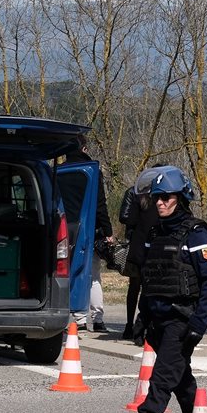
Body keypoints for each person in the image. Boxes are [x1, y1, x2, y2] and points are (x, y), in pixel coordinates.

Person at [107, 166, 207, 413]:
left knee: (161, 379)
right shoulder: (155, 233)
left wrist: (199, 324)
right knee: (181, 380)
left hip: (182, 321)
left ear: (180, 198)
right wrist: (142, 317)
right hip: (158, 320)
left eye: (167, 197)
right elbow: (149, 277)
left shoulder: (197, 234)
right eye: (157, 197)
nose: (160, 202)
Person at [65, 140, 115, 332]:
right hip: (89, 230)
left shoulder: (60, 171)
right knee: (93, 275)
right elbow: (100, 204)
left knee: (67, 272)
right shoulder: (91, 171)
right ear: (84, 149)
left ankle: (78, 318)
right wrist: (108, 231)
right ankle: (98, 319)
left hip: (64, 230)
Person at [116, 163, 169, 342]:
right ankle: (145, 326)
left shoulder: (138, 195)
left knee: (134, 287)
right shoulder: (164, 199)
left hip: (138, 246)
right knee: (151, 288)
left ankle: (130, 325)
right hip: (157, 248)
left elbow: (127, 218)